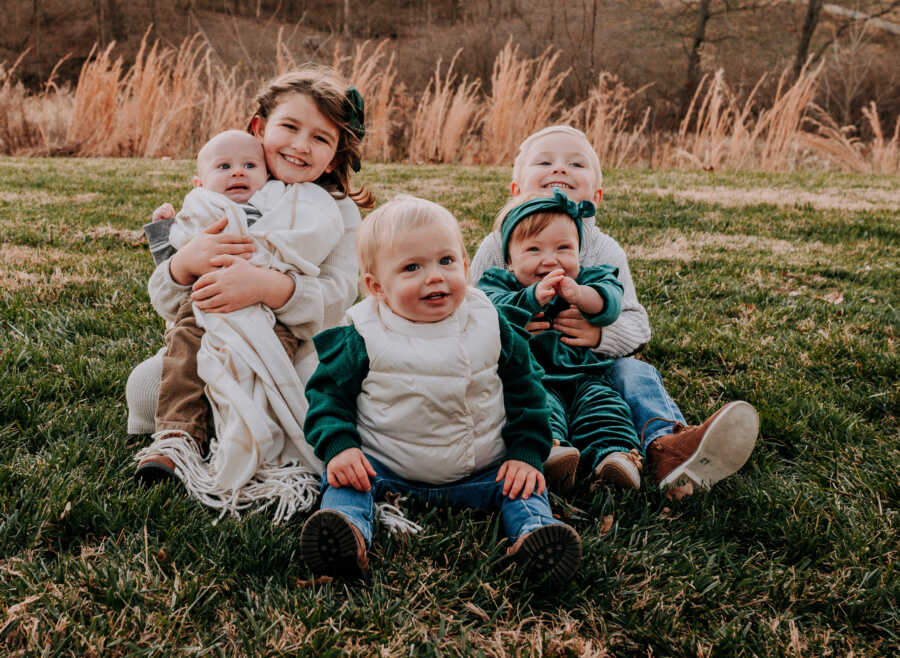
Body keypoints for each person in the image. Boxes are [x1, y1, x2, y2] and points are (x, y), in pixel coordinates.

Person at [126, 66, 374, 520]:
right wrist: (185, 262)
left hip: (295, 342)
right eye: (290, 127)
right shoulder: (221, 196)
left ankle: (238, 428)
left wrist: (267, 286)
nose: (300, 145)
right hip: (210, 332)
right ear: (260, 129)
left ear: (336, 157)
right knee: (145, 384)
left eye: (320, 139)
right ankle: (183, 436)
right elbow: (167, 302)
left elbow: (338, 299)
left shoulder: (336, 214)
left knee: (321, 382)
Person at [299, 196, 582, 585]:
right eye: (412, 267)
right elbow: (327, 396)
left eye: (446, 261)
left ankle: (534, 537)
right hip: (386, 470)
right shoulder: (362, 334)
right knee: (345, 480)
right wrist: (340, 448)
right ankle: (346, 535)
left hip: (483, 469)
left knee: (525, 485)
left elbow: (527, 390)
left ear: (465, 265)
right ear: (376, 287)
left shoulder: (490, 322)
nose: (435, 276)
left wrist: (525, 454)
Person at [470, 125, 759, 500]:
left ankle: (666, 447)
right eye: (544, 161)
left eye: (576, 163)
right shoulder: (496, 246)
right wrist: (515, 322)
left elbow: (637, 324)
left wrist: (598, 335)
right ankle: (550, 448)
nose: (560, 170)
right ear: (516, 190)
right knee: (519, 389)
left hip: (594, 364)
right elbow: (471, 313)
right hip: (525, 363)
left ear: (596, 195)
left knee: (634, 373)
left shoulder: (604, 251)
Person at [478, 189, 645, 493]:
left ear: (578, 251)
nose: (550, 259)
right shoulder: (500, 282)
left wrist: (581, 295)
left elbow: (610, 302)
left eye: (564, 248)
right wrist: (528, 299)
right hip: (533, 378)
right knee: (542, 410)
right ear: (510, 261)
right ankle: (552, 453)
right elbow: (488, 308)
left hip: (589, 376)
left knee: (605, 408)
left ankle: (614, 457)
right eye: (533, 250)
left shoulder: (590, 278)